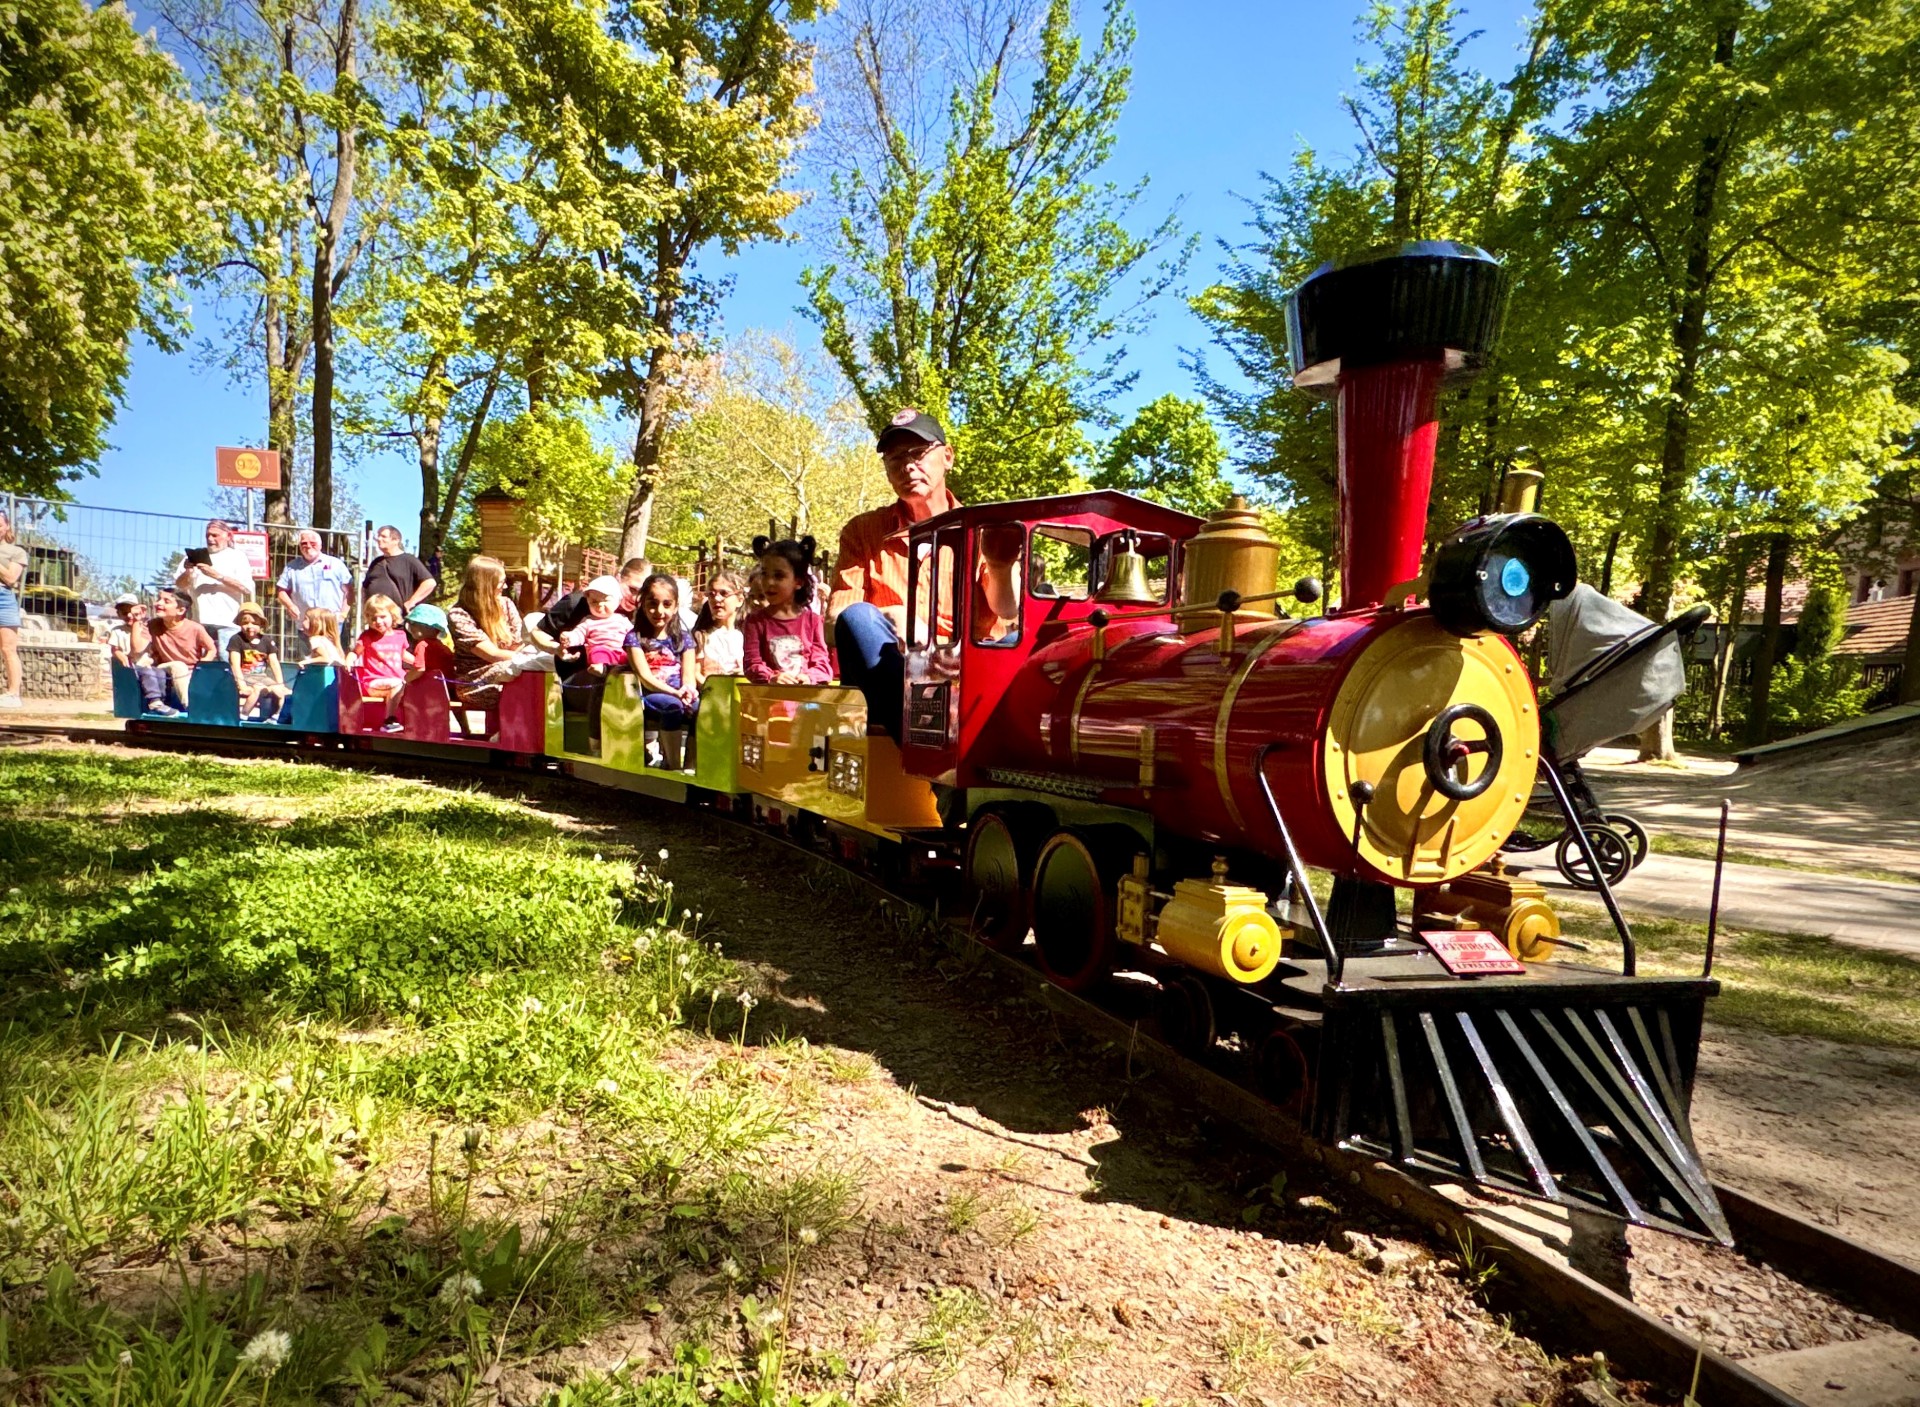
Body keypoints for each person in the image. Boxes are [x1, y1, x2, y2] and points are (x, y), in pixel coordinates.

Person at [828, 409, 963, 735]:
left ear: (947, 457)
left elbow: (1005, 626)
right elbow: (835, 624)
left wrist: (1003, 567)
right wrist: (895, 616)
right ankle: (929, 742)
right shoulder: (863, 532)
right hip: (886, 676)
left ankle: (933, 737)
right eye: (894, 458)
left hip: (957, 680)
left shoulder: (983, 531)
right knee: (859, 618)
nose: (907, 466)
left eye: (917, 453)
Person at [528, 557, 651, 677]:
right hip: (578, 677)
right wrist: (556, 649)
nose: (636, 598)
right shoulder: (576, 603)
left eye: (642, 593)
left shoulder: (640, 613)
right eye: (632, 589)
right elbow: (537, 632)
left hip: (622, 677)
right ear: (618, 578)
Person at [625, 573, 700, 768]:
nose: (659, 611)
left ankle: (691, 766)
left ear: (675, 607)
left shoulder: (684, 638)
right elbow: (645, 677)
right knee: (672, 706)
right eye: (652, 603)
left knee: (701, 707)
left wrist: (689, 691)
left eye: (667, 604)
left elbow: (689, 675)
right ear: (642, 604)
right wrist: (675, 693)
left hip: (680, 691)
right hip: (651, 693)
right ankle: (673, 765)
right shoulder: (635, 638)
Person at [742, 536, 831, 685]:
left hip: (806, 702)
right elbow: (752, 663)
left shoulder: (813, 621)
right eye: (764, 574)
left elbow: (822, 665)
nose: (769, 582)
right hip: (769, 701)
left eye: (779, 576)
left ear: (798, 582)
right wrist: (771, 677)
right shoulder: (754, 622)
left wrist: (809, 677)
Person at [445, 554, 525, 711]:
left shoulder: (507, 605)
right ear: (485, 585)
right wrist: (531, 660)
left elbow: (519, 643)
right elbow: (492, 654)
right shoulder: (459, 615)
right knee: (513, 668)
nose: (506, 587)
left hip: (510, 669)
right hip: (474, 683)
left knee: (530, 672)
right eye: (501, 582)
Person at [174, 519, 256, 652]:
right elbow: (179, 585)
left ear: (228, 536)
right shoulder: (195, 556)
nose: (210, 539)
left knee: (227, 665)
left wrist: (218, 576)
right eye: (208, 535)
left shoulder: (237, 557)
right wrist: (188, 571)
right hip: (200, 623)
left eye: (215, 535)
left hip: (228, 624)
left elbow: (246, 588)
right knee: (201, 665)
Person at [136, 587, 218, 714]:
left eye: (166, 601)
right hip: (165, 668)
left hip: (191, 671)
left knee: (182, 668)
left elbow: (211, 649)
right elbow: (137, 649)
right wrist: (138, 620)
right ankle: (190, 707)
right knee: (150, 662)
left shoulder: (195, 628)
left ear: (180, 610)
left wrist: (202, 665)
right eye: (158, 599)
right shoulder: (153, 625)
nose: (158, 603)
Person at [276, 531, 353, 642]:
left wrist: (343, 615)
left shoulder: (336, 564)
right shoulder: (291, 567)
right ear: (300, 546)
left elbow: (349, 591)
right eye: (304, 543)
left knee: (334, 658)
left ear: (320, 545)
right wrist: (290, 606)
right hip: (305, 626)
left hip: (332, 625)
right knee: (309, 659)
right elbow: (281, 592)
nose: (308, 546)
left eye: (313, 543)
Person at [351, 593, 410, 730]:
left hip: (397, 681)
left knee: (412, 684)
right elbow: (356, 652)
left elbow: (403, 654)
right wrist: (349, 661)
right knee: (397, 684)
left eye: (382, 617)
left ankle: (414, 721)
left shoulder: (400, 636)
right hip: (373, 682)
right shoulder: (368, 636)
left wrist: (421, 663)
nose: (378, 621)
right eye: (373, 618)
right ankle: (389, 720)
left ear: (392, 615)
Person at [227, 601, 290, 722]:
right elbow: (234, 664)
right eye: (245, 623)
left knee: (279, 691)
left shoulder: (266, 640)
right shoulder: (236, 639)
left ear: (261, 624)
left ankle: (274, 716)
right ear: (240, 623)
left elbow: (274, 663)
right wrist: (241, 684)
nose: (250, 626)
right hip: (245, 677)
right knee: (257, 689)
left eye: (254, 623)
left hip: (261, 676)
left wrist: (280, 683)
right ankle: (244, 715)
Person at [559, 576, 634, 671]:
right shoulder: (588, 621)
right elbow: (579, 634)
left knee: (634, 654)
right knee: (597, 653)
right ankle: (602, 669)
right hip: (600, 653)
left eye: (606, 600)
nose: (599, 605)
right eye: (594, 601)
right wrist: (569, 638)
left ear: (618, 601)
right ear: (588, 602)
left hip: (620, 653)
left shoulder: (622, 620)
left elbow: (634, 634)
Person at [361, 525, 438, 612]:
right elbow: (365, 587)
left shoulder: (409, 560)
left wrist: (411, 602)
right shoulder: (376, 562)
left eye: (383, 536)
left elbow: (429, 583)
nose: (378, 539)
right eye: (378, 536)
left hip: (398, 618)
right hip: (375, 617)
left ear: (396, 540)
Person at [692, 570, 746, 677]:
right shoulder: (702, 636)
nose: (716, 599)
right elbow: (695, 673)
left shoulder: (748, 636)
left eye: (724, 593)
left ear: (740, 600)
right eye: (711, 594)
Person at [0, 509, 25, 708]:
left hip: (3, 598)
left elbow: (10, 578)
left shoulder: (16, 551)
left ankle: (13, 694)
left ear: (7, 526)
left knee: (8, 648)